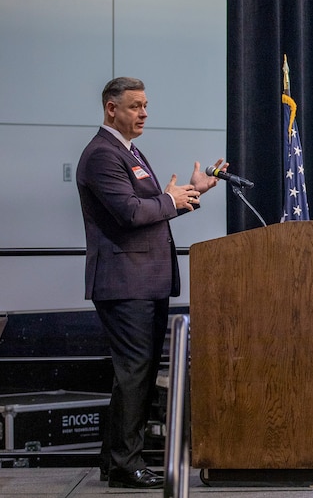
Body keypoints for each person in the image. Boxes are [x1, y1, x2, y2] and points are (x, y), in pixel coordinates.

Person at [76, 77, 225, 489]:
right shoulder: (101, 155)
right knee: (134, 373)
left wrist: (191, 193)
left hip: (144, 281)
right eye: (135, 106)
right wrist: (170, 199)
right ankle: (126, 465)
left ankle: (114, 460)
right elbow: (127, 212)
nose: (144, 113)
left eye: (146, 106)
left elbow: (148, 211)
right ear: (111, 109)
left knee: (132, 374)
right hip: (125, 283)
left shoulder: (129, 151)